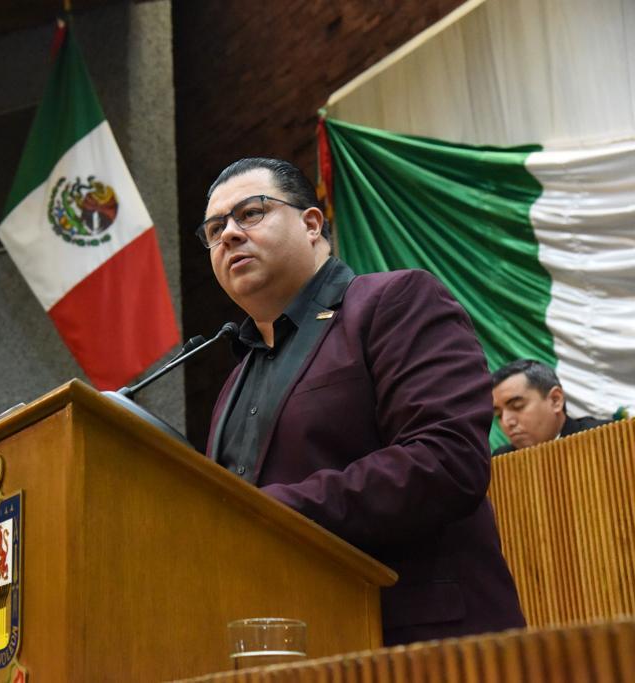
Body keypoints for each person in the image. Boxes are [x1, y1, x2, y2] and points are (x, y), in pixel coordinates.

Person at [200, 157, 525, 646]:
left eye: (250, 213)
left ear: (312, 224)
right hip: (288, 644)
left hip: (420, 641)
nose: (228, 234)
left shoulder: (395, 300)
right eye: (214, 229)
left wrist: (270, 513)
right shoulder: (234, 382)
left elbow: (447, 459)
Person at [491, 359, 611, 455]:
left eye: (517, 406)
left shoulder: (605, 438)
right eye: (499, 415)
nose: (507, 422)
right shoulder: (501, 459)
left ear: (555, 400)